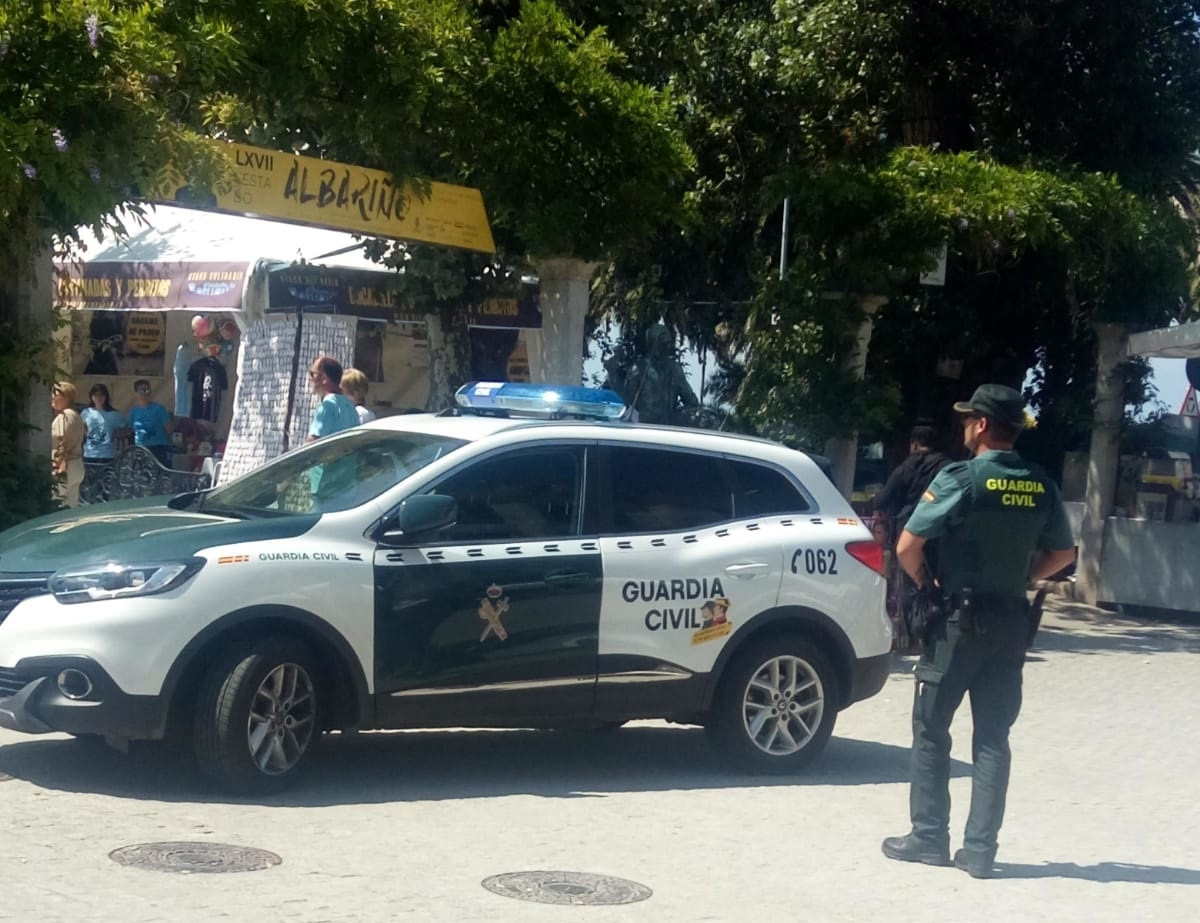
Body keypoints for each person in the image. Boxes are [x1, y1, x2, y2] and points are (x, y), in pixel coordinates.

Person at [881, 384, 1076, 879]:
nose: (965, 425)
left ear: (983, 425)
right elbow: (1064, 556)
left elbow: (908, 545)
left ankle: (928, 837)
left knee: (930, 728)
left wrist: (928, 583)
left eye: (969, 418)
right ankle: (981, 850)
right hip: (1012, 620)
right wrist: (1024, 575)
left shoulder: (962, 479)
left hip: (957, 622)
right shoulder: (1041, 484)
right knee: (993, 737)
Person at [871, 426, 950, 650]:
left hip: (907, 533)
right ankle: (937, 629)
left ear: (914, 444)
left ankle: (912, 636)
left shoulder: (904, 469)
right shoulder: (948, 468)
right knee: (938, 581)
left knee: (908, 583)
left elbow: (881, 501)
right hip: (939, 535)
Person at [603, 323, 699, 425]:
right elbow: (626, 400)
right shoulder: (639, 369)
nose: (667, 347)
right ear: (653, 344)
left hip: (670, 431)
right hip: (645, 430)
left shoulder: (674, 369)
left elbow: (691, 401)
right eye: (662, 343)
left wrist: (680, 417)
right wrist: (613, 374)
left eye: (668, 343)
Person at [306, 356, 360, 442]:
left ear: (324, 378)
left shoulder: (327, 406)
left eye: (312, 374)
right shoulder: (350, 406)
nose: (310, 378)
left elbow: (312, 443)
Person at [50, 381, 86, 507]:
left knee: (58, 506)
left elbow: (63, 442)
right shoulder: (76, 415)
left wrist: (57, 467)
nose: (53, 397)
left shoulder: (64, 417)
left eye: (56, 394)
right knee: (71, 507)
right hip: (77, 464)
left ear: (67, 397)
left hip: (65, 466)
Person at [128, 379, 173, 466]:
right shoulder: (134, 411)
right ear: (136, 393)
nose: (145, 393)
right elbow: (131, 430)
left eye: (147, 390)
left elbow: (169, 429)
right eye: (142, 390)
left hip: (158, 448)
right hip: (141, 448)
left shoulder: (160, 409)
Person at [80, 383, 128, 464]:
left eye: (101, 395)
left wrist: (118, 434)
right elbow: (80, 430)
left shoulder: (114, 414)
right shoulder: (86, 412)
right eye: (95, 395)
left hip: (107, 455)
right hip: (89, 454)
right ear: (91, 396)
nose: (98, 398)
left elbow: (128, 428)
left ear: (106, 397)